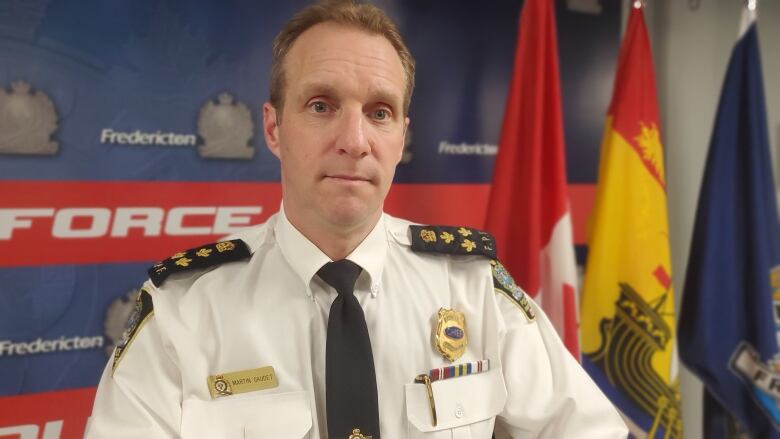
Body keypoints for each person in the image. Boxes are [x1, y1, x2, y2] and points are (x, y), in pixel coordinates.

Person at [86, 1, 628, 438]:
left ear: (402, 137)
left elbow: (589, 429)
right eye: (322, 105)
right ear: (273, 129)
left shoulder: (474, 288)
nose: (354, 142)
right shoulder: (185, 307)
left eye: (380, 113)